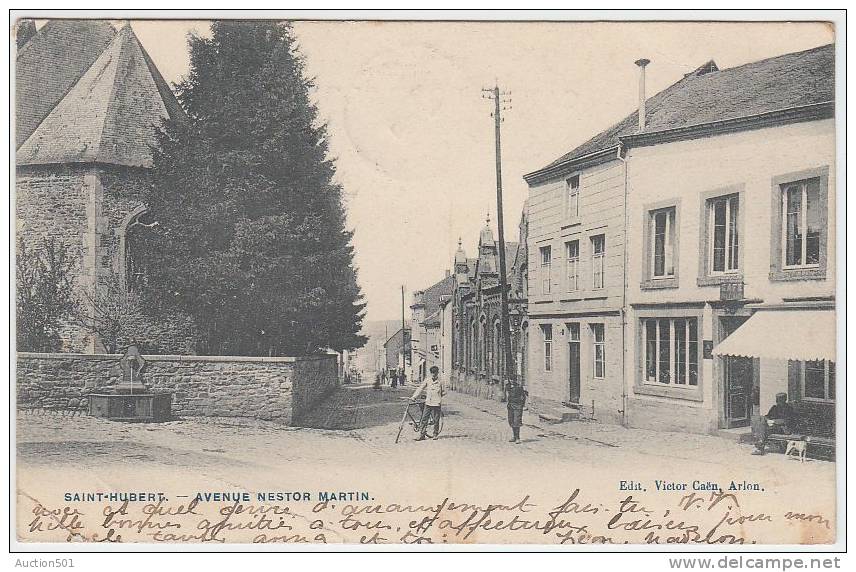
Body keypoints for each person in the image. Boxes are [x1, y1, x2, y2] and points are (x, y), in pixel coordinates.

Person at [411, 365, 445, 441]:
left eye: (435, 373)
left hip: (436, 403)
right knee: (424, 418)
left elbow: (444, 392)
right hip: (428, 402)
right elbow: (420, 388)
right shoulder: (427, 380)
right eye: (432, 373)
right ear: (430, 373)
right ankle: (422, 434)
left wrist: (438, 397)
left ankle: (435, 434)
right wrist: (414, 396)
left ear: (437, 373)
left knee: (436, 419)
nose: (433, 374)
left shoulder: (441, 382)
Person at [506, 378, 528, 444]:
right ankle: (514, 436)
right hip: (510, 406)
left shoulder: (519, 387)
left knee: (517, 421)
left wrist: (522, 405)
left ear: (515, 380)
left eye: (513, 380)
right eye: (511, 379)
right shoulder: (508, 386)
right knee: (511, 421)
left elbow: (523, 396)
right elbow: (507, 395)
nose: (512, 381)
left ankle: (518, 438)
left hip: (517, 406)